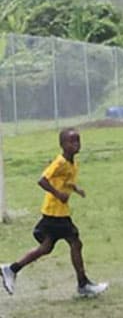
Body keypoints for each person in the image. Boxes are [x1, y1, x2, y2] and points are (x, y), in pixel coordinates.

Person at [1, 128, 108, 298]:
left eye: (78, 141)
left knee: (46, 247)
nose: (76, 144)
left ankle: (12, 269)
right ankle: (83, 284)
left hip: (59, 213)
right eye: (71, 141)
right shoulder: (59, 162)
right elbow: (42, 180)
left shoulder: (73, 163)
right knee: (75, 242)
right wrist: (58, 194)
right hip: (55, 213)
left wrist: (75, 189)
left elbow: (65, 180)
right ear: (62, 145)